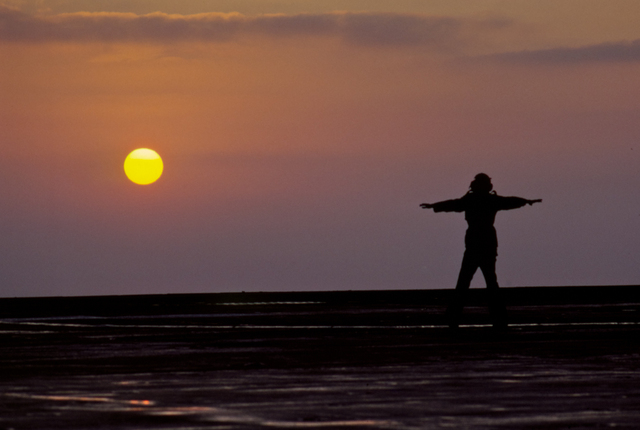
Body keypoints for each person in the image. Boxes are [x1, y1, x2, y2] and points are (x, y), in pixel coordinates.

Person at [420, 173, 541, 329]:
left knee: (465, 282)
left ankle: (453, 317)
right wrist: (526, 201)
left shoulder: (471, 200)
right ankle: (498, 318)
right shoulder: (490, 200)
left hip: (475, 244)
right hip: (487, 244)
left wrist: (434, 206)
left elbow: (453, 204)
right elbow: (509, 201)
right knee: (490, 282)